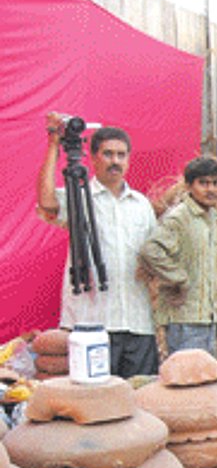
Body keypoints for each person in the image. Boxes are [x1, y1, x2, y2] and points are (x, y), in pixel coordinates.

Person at [36, 114, 159, 376]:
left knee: (141, 403)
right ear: (93, 158)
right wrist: (53, 146)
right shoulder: (78, 195)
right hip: (92, 323)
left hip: (139, 323)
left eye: (121, 155)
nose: (115, 161)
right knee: (97, 403)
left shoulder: (141, 205)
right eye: (108, 154)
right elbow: (47, 203)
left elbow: (154, 257)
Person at [139, 156, 217, 358]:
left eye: (216, 183)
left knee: (206, 382)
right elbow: (150, 250)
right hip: (184, 319)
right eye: (203, 183)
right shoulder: (179, 217)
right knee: (188, 382)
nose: (211, 189)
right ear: (189, 186)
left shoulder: (210, 217)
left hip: (206, 318)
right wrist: (178, 277)